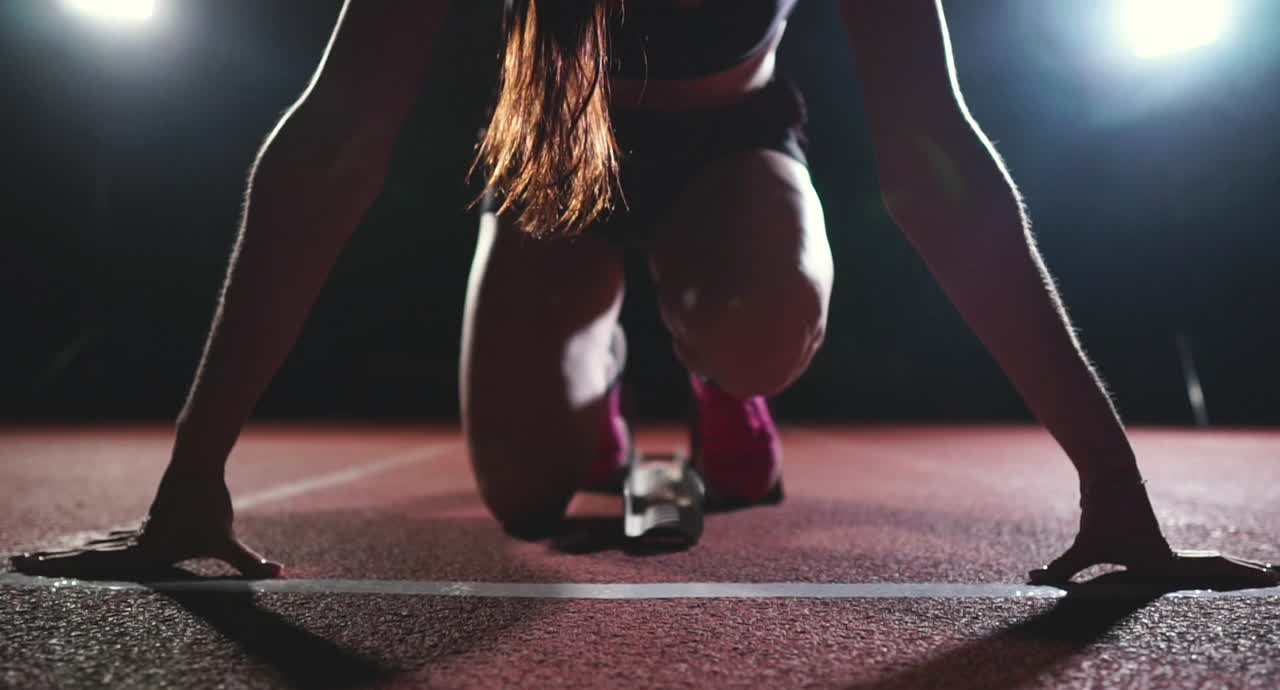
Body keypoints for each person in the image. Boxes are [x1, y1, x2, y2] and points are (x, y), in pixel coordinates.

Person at [11, 0, 1276, 587]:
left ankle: (724, 383)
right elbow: (329, 144)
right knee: (526, 493)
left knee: (758, 318)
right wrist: (192, 480)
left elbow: (938, 167)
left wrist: (1111, 487)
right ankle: (609, 386)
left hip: (728, 159)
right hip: (556, 166)